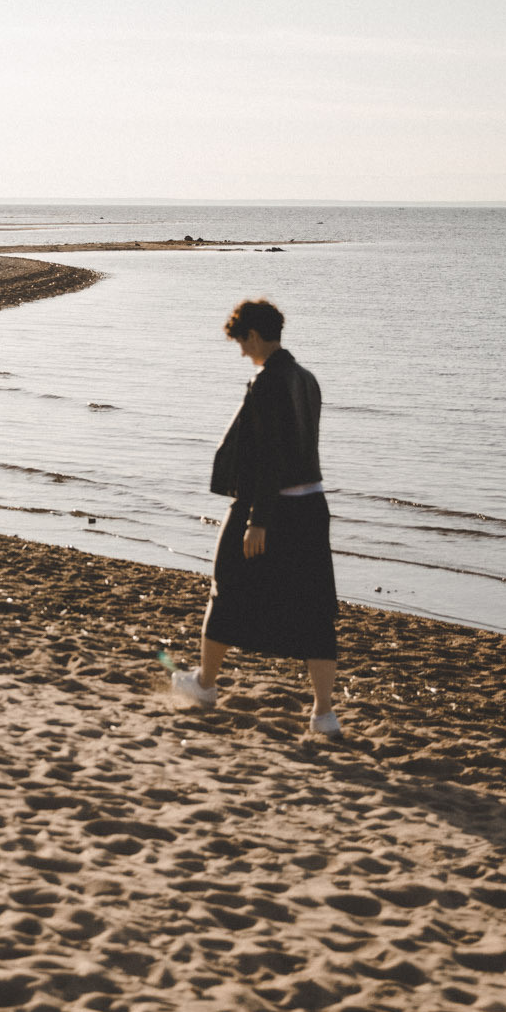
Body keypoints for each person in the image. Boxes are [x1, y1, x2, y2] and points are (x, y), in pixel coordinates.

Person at [171, 298, 343, 736]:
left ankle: (205, 685)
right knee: (315, 606)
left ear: (252, 334)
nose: (241, 352)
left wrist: (258, 519)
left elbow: (268, 457)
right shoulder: (307, 379)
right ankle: (324, 714)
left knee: (226, 584)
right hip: (312, 506)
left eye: (241, 342)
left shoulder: (268, 382)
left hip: (272, 507)